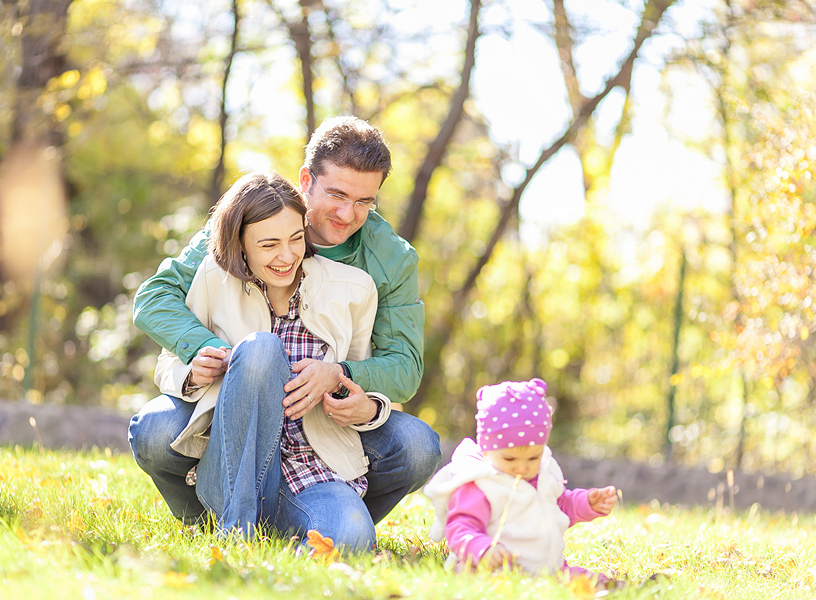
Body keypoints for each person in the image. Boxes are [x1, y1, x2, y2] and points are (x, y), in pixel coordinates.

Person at [129, 116, 441, 541]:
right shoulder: (255, 214)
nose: (348, 214)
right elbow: (154, 298)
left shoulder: (388, 260)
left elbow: (404, 368)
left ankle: (321, 524)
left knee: (418, 446)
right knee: (158, 429)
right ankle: (210, 522)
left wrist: (343, 375)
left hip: (321, 433)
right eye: (337, 194)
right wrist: (208, 352)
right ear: (306, 179)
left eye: (365, 201)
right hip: (231, 410)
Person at [150, 171, 393, 551]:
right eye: (268, 245)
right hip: (230, 467)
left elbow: (366, 381)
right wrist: (193, 372)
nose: (286, 256)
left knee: (350, 536)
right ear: (241, 244)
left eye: (297, 239)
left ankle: (285, 540)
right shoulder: (214, 277)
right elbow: (167, 364)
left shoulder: (355, 289)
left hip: (313, 471)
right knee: (261, 348)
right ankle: (237, 532)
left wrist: (363, 403)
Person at [423, 379, 619, 586]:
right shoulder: (482, 484)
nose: (522, 468)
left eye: (533, 458)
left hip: (547, 567)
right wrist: (482, 549)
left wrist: (587, 502)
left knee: (586, 581)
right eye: (510, 459)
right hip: (494, 567)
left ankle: (604, 587)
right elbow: (460, 528)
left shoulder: (543, 474)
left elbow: (559, 505)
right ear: (487, 449)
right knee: (497, 583)